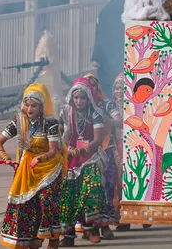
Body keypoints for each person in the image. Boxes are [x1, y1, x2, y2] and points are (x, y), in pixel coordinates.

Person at [0, 83, 66, 249]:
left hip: (48, 168)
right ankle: (31, 240)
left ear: (42, 107)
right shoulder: (18, 121)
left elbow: (53, 151)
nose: (29, 109)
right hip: (27, 169)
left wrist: (40, 159)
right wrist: (6, 158)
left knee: (47, 202)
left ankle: (54, 238)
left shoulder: (50, 124)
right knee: (25, 206)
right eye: (26, 105)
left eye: (34, 105)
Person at [59, 78, 109, 246]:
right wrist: (67, 149)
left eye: (82, 98)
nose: (79, 101)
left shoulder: (95, 113)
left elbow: (97, 140)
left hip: (91, 157)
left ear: (89, 98)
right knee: (68, 197)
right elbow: (61, 136)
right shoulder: (66, 112)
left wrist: (81, 150)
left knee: (91, 189)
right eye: (76, 98)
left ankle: (92, 228)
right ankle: (68, 235)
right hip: (71, 158)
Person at [83, 73, 122, 239]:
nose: (93, 89)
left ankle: (105, 225)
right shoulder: (79, 106)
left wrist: (110, 123)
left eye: (95, 85)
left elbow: (119, 120)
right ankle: (89, 227)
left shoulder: (107, 104)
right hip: (86, 155)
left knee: (107, 188)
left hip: (106, 152)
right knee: (88, 191)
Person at [90, 0, 125, 98]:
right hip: (123, 57)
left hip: (108, 61)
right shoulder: (127, 5)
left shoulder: (107, 11)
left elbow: (102, 36)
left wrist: (97, 57)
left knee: (110, 91)